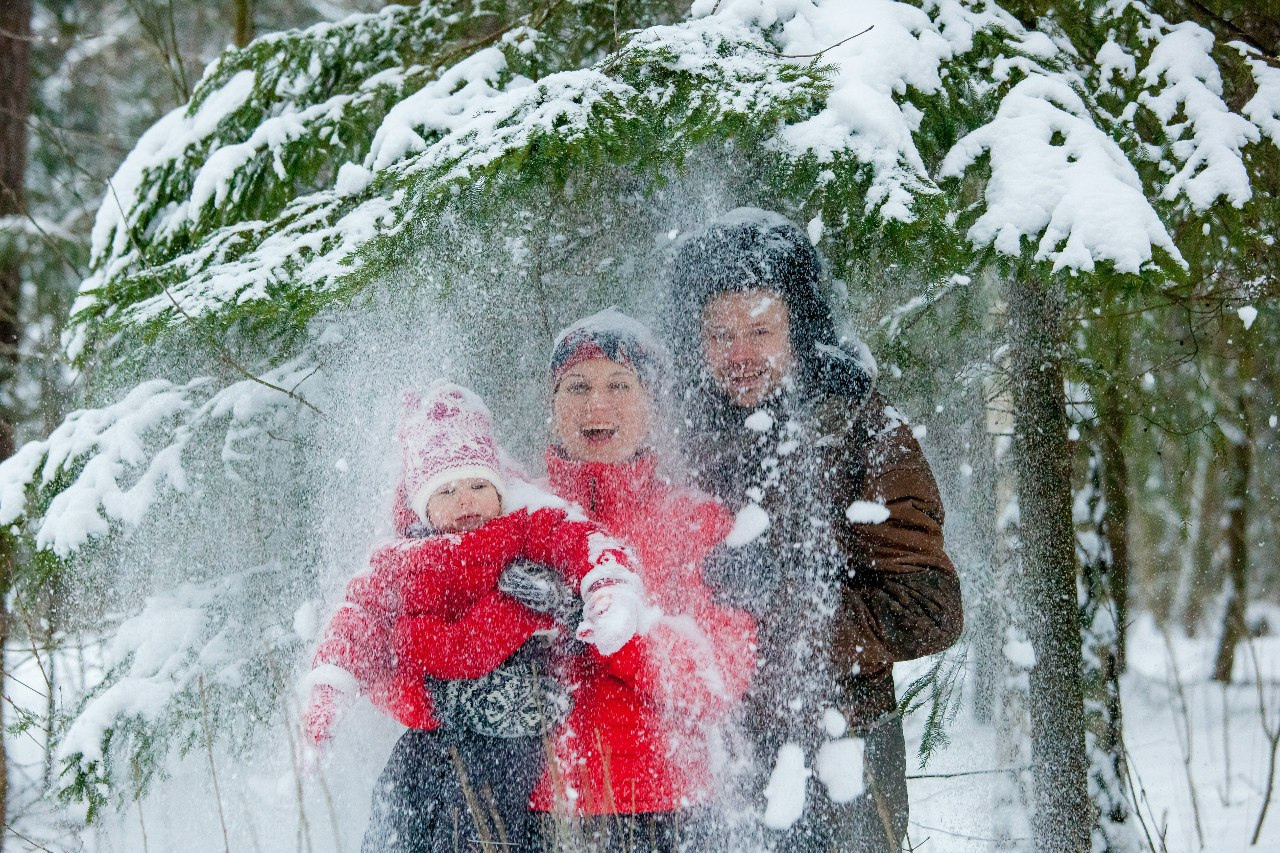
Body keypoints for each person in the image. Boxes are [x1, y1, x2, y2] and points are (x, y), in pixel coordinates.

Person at [667, 209, 964, 852]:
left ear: (798, 328)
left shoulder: (862, 431)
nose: (739, 355)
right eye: (720, 336)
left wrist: (784, 605)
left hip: (840, 749)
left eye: (760, 330)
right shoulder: (674, 437)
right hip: (712, 755)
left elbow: (931, 609)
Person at [300, 382, 643, 853]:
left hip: (510, 725)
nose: (466, 501)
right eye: (448, 490)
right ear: (422, 502)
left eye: (479, 485)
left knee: (474, 830)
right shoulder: (401, 560)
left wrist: (605, 587)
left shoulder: (519, 529)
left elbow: (583, 540)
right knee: (396, 811)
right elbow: (357, 617)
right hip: (435, 724)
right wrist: (331, 687)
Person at [527, 309, 760, 851]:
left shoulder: (700, 524)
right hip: (537, 810)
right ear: (553, 404)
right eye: (577, 386)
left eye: (619, 385)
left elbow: (719, 675)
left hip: (667, 812)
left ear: (652, 402)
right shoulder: (514, 516)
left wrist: (618, 630)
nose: (597, 405)